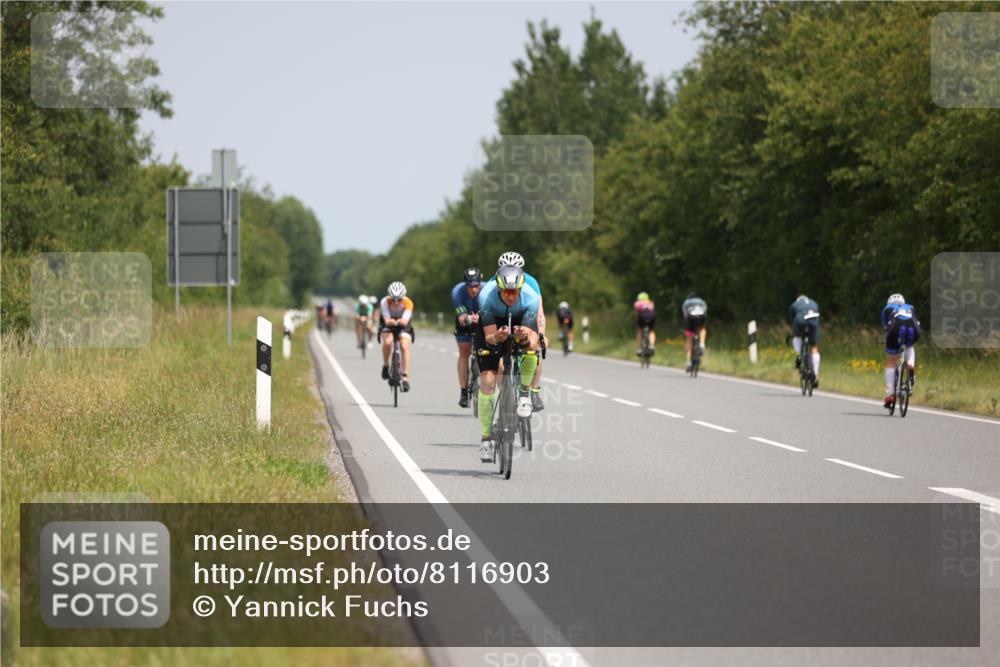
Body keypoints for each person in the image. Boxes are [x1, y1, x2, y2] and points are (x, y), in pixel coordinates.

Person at [475, 265, 541, 462]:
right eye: (506, 292)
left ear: (520, 288)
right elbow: (489, 337)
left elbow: (530, 340)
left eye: (514, 291)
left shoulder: (530, 298)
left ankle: (523, 393)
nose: (511, 296)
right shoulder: (486, 297)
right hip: (493, 325)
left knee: (531, 348)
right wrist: (497, 336)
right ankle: (486, 439)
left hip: (520, 316)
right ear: (498, 288)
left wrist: (523, 337)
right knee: (488, 382)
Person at [479, 251, 546, 411]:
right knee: (500, 362)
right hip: (499, 317)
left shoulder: (531, 283)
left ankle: (534, 391)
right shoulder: (492, 285)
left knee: (534, 347)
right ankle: (507, 395)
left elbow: (539, 312)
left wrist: (542, 334)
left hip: (525, 314)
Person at [881, 293, 920, 409]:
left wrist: (886, 340)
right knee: (910, 347)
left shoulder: (887, 308)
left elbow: (886, 327)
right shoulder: (910, 307)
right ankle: (910, 365)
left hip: (895, 328)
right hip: (913, 327)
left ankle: (890, 395)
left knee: (891, 361)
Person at [452, 267, 483, 407]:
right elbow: (461, 317)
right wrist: (467, 319)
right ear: (465, 285)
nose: (474, 289)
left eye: (476, 286)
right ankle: (464, 391)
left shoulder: (488, 290)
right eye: (470, 286)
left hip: (482, 320)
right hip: (465, 322)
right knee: (464, 351)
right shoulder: (457, 292)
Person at [378, 281, 414, 391]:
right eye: (393, 299)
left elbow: (405, 320)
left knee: (404, 346)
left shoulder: (408, 303)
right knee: (388, 342)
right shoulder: (384, 301)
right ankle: (386, 365)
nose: (396, 302)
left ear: (404, 297)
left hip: (403, 322)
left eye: (399, 299)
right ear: (389, 296)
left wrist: (401, 321)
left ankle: (405, 377)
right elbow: (387, 319)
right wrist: (390, 321)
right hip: (388, 321)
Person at [788, 294, 821, 387]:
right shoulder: (814, 302)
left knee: (797, 337)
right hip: (813, 319)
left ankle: (798, 355)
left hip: (800, 319)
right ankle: (816, 374)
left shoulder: (794, 304)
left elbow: (792, 319)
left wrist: (795, 330)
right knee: (814, 347)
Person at [681, 293, 708, 371]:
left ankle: (688, 362)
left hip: (691, 317)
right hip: (702, 316)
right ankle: (702, 344)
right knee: (702, 328)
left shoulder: (686, 302)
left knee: (689, 338)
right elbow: (705, 311)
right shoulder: (702, 301)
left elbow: (685, 315)